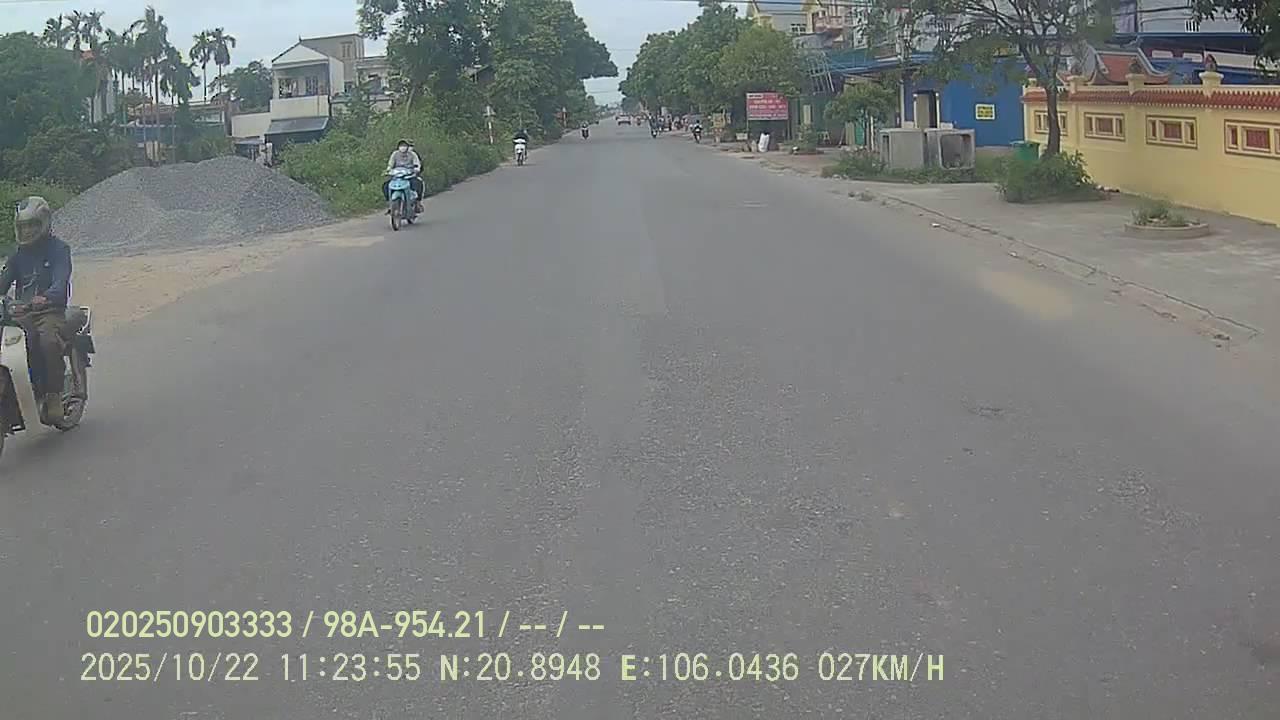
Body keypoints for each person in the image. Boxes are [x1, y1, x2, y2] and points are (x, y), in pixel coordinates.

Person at [0, 197, 73, 425]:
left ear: (44, 222)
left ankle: (53, 395)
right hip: (21, 314)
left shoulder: (59, 249)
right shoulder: (17, 254)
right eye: (23, 226)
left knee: (48, 342)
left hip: (49, 311)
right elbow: (3, 282)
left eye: (32, 225)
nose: (28, 230)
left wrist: (46, 297)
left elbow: (61, 281)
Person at [384, 139, 424, 214]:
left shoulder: (412, 154)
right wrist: (388, 170)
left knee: (418, 183)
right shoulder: (395, 154)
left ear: (407, 147)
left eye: (404, 145)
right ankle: (390, 204)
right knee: (386, 185)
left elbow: (417, 164)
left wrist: (416, 169)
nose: (403, 147)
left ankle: (417, 203)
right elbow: (390, 164)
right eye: (401, 145)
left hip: (409, 176)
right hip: (397, 177)